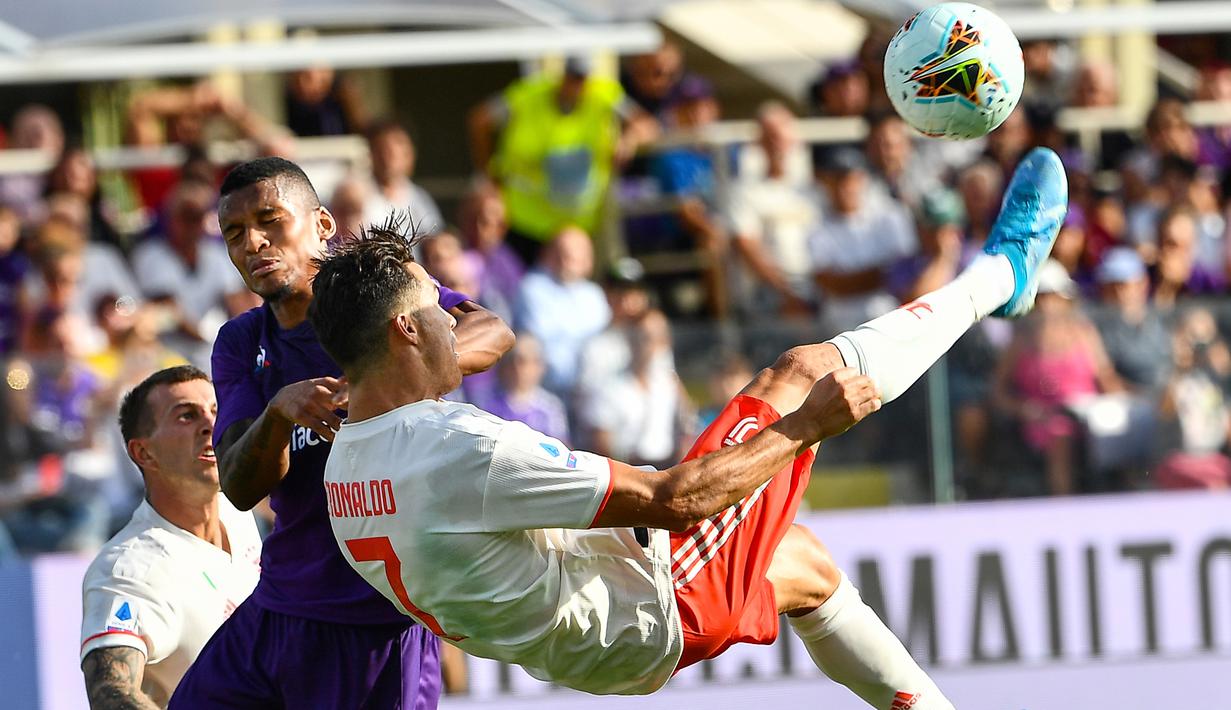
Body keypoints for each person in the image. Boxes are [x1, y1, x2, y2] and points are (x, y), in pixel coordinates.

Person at [313, 149, 1068, 708]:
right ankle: (1000, 277)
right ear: (405, 333)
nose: (453, 324)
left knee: (800, 566)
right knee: (799, 373)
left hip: (582, 644)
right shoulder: (459, 448)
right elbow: (676, 501)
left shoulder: (344, 466)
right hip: (650, 608)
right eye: (437, 311)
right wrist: (805, 427)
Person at [168, 157, 514, 709]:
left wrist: (384, 375)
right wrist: (278, 415)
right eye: (234, 234)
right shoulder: (239, 341)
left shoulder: (375, 299)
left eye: (269, 221)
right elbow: (239, 484)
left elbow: (491, 330)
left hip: (377, 620)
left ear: (323, 225)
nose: (253, 243)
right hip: (280, 606)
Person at [80, 366, 261, 708]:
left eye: (215, 411)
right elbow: (111, 693)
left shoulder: (237, 510)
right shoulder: (128, 569)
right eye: (186, 416)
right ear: (143, 453)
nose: (210, 425)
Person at [468, 55, 658, 263]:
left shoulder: (604, 95)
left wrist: (628, 139)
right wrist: (486, 173)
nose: (576, 85)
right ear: (563, 75)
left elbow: (647, 125)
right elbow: (480, 119)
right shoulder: (528, 93)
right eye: (572, 77)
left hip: (578, 223)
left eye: (582, 79)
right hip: (525, 219)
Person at [362, 120, 443, 235]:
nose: (386, 159)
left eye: (392, 154)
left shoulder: (421, 199)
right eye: (382, 151)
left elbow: (434, 236)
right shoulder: (355, 196)